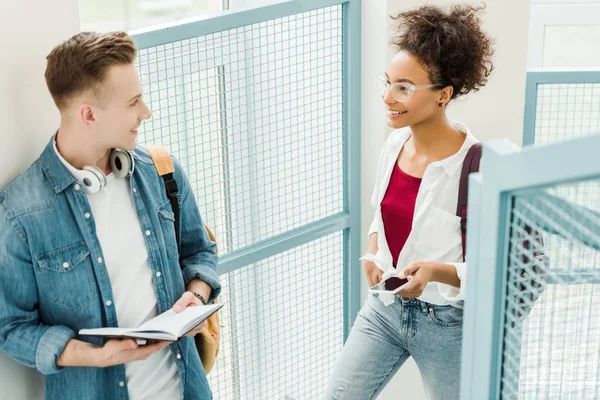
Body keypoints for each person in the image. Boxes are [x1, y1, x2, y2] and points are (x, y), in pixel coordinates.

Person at [0, 31, 220, 400]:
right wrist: (95, 356)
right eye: (133, 102)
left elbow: (200, 253)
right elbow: (10, 328)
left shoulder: (161, 173)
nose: (145, 112)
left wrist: (195, 297)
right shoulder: (21, 213)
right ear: (88, 113)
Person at [325, 5, 494, 400]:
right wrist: (372, 251)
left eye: (403, 87)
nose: (387, 97)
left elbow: (494, 268)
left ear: (443, 95)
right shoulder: (395, 145)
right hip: (385, 308)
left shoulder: (479, 168)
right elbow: (381, 216)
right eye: (387, 83)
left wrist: (435, 272)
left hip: (448, 324)